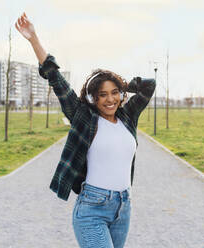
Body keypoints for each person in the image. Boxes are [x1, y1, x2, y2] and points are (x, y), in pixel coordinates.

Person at [15, 12, 156, 248]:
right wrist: (34, 39)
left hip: (124, 207)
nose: (110, 99)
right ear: (93, 98)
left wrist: (123, 84)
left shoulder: (127, 116)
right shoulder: (84, 117)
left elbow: (148, 87)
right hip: (92, 208)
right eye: (103, 94)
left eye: (114, 93)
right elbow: (56, 79)